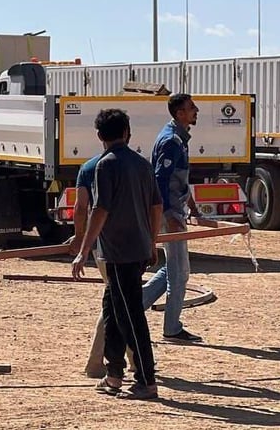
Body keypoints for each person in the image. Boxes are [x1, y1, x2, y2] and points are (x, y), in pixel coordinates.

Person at [72, 108, 163, 400]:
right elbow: (156, 207)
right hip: (132, 250)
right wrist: (152, 243)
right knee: (112, 311)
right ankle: (113, 374)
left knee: (131, 316)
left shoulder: (105, 165)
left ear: (100, 136)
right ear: (127, 132)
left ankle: (146, 380)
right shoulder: (142, 164)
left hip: (121, 252)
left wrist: (84, 249)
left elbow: (100, 210)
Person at [142, 93, 204, 343]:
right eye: (191, 108)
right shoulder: (171, 141)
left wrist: (192, 207)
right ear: (179, 113)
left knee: (175, 268)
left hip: (174, 212)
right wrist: (170, 215)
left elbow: (179, 181)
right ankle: (172, 328)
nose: (195, 111)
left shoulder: (178, 139)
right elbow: (161, 182)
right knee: (179, 273)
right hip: (169, 215)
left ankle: (138, 304)